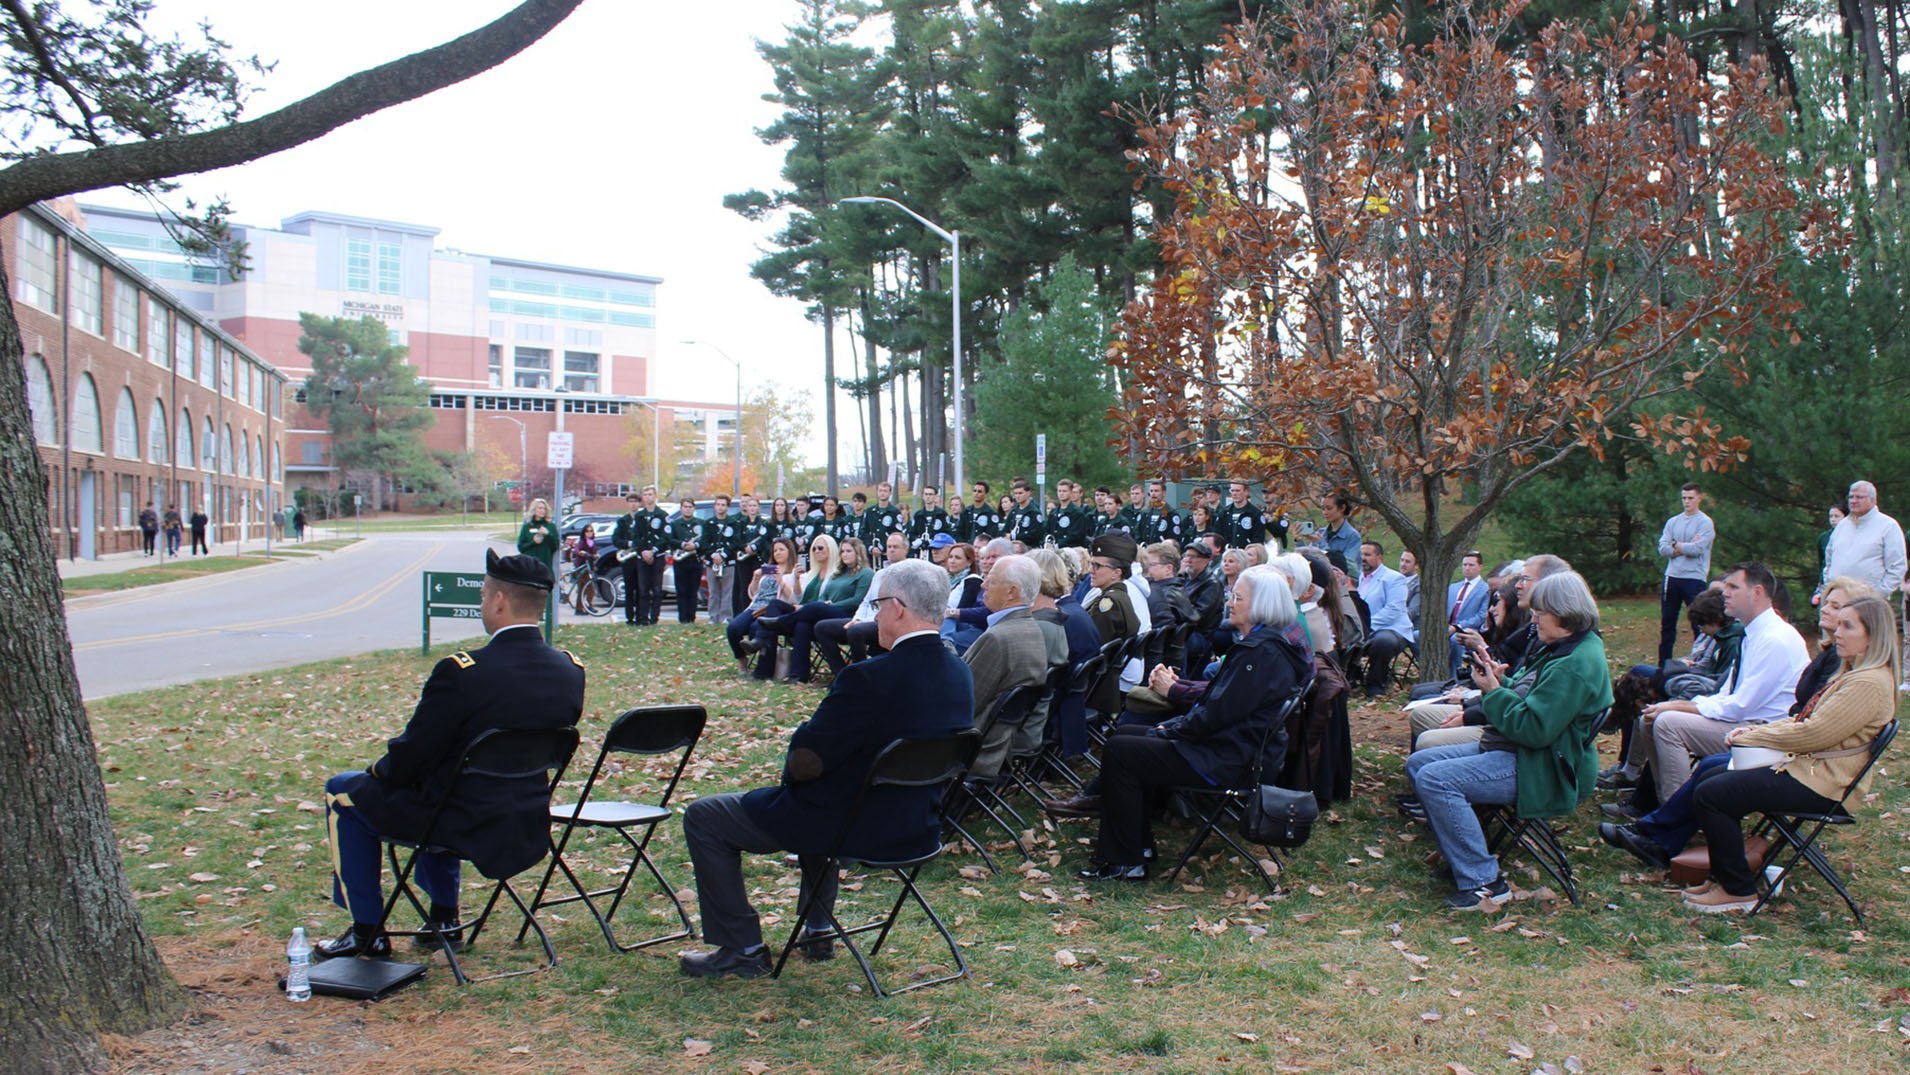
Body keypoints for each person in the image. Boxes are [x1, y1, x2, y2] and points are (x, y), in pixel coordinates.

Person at [676, 559, 974, 978]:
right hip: (917, 823)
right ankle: (816, 929)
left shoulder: (869, 678)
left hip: (854, 824)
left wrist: (802, 735)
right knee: (832, 790)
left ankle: (741, 946)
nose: (874, 612)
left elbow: (805, 762)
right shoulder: (959, 671)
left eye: (878, 603)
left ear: (899, 608)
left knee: (705, 816)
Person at [315, 551, 585, 959]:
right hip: (523, 815)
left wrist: (377, 772)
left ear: (498, 601)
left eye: (483, 597)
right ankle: (443, 917)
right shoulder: (570, 670)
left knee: (343, 791)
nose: (482, 605)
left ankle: (367, 929)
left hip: (456, 819)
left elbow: (409, 758)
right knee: (444, 781)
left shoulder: (463, 672)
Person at [1599, 579, 1875, 871]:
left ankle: (1702, 858)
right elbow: (1799, 717)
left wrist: (1756, 735)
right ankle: (1659, 829)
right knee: (1705, 762)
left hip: (1808, 768)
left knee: (1683, 742)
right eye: (1828, 604)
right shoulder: (1831, 658)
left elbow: (1810, 730)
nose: (1725, 594)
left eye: (1840, 611)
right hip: (1788, 746)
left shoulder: (1850, 673)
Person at [1074, 565, 1312, 881]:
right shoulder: (1265, 647)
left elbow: (1217, 715)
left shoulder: (1260, 654)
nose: (1229, 603)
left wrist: (1171, 729)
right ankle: (1137, 844)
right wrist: (1171, 727)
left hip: (1229, 759)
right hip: (1235, 748)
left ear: (1260, 607)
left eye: (1238, 598)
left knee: (1121, 750)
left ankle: (1125, 860)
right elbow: (1220, 706)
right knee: (1128, 732)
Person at [1680, 594, 1900, 912]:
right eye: (1838, 625)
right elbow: (1807, 723)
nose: (1837, 632)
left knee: (1713, 793)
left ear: (1872, 635)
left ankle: (1738, 890)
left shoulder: (1868, 683)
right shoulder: (1856, 675)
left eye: (1848, 626)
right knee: (1715, 776)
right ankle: (1724, 878)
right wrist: (1757, 734)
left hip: (1824, 785)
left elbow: (1814, 733)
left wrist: (1757, 734)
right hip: (1810, 773)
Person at [1406, 570, 1611, 910]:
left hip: (1545, 767)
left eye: (1540, 612)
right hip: (1527, 752)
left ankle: (1484, 882)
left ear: (1564, 613)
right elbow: (1535, 696)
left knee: (1435, 779)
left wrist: (1492, 693)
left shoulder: (1574, 663)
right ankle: (1464, 856)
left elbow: (1533, 729)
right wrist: (1502, 680)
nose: (1534, 619)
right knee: (1419, 762)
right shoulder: (1564, 647)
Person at [1641, 562, 1809, 806]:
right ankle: (1663, 807)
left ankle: (1674, 815)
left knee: (1668, 723)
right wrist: (1677, 704)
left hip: (1763, 732)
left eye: (1733, 587)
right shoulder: (1754, 634)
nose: (1725, 593)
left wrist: (1676, 707)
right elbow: (1727, 693)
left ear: (1757, 593)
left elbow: (1739, 706)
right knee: (1648, 720)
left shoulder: (1775, 639)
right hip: (1744, 721)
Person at [964, 555, 1064, 777]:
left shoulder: (999, 638)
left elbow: (964, 703)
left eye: (991, 580)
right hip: (1000, 745)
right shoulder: (1031, 627)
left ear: (1012, 592)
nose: (983, 585)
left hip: (977, 749)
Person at [757, 536, 875, 684]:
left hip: (849, 615)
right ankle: (798, 675)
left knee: (815, 607)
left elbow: (858, 600)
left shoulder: (866, 573)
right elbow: (824, 595)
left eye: (849, 551)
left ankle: (781, 622)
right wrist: (824, 604)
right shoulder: (838, 573)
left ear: (858, 553)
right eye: (842, 551)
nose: (844, 554)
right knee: (802, 625)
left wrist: (830, 605)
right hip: (827, 613)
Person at [817, 532, 909, 674]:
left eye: (895, 547)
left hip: (886, 623)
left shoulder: (910, 574)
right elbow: (866, 602)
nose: (891, 550)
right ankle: (842, 674)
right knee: (822, 627)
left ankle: (861, 676)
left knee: (856, 631)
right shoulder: (879, 574)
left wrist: (862, 622)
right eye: (889, 546)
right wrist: (858, 619)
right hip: (863, 621)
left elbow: (895, 607)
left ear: (906, 549)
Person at [1656, 483, 1716, 665]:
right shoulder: (1673, 522)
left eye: (1690, 498)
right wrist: (1682, 546)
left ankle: (1700, 662)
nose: (1687, 502)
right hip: (1672, 577)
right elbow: (1663, 548)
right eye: (1684, 498)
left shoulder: (1705, 522)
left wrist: (1676, 544)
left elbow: (1698, 549)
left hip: (1694, 578)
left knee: (1699, 623)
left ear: (1699, 498)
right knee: (1667, 623)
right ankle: (1663, 664)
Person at [1820, 480, 1905, 599]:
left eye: (1859, 497)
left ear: (1873, 499)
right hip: (1837, 600)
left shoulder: (1888, 526)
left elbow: (1897, 566)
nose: (1853, 501)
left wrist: (1878, 594)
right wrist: (1829, 586)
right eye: (1851, 497)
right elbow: (1828, 560)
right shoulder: (1842, 525)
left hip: (1869, 603)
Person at [728, 537, 801, 672]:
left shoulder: (794, 573)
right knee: (733, 628)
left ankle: (764, 668)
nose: (777, 553)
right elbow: (753, 594)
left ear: (790, 552)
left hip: (774, 610)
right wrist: (756, 578)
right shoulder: (769, 570)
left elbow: (794, 598)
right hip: (756, 606)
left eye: (781, 550)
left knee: (756, 629)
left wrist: (781, 581)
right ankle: (742, 659)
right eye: (775, 550)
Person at [1357, 540, 1416, 698]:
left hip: (1392, 629)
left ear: (1379, 558)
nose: (1363, 558)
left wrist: (1365, 626)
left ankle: (1376, 685)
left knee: (1383, 642)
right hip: (1362, 627)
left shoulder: (1394, 578)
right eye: (1361, 554)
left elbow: (1393, 610)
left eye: (1368, 555)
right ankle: (1350, 678)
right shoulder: (1357, 577)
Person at [612, 487, 670, 626]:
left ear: (655, 496)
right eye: (645, 495)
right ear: (643, 498)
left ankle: (654, 619)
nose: (648, 497)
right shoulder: (639, 516)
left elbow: (665, 536)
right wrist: (643, 551)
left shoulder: (663, 515)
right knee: (643, 589)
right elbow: (636, 536)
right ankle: (642, 619)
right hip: (641, 557)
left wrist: (653, 551)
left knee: (656, 590)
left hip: (658, 556)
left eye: (651, 494)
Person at [1444, 551, 1491, 676]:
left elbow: (1481, 616)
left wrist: (1457, 627)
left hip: (1468, 630)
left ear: (1480, 567)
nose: (1467, 568)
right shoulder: (1453, 588)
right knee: (1416, 636)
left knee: (1455, 640)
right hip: (1446, 627)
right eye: (1464, 565)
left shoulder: (1485, 589)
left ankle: (1454, 676)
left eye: (1471, 565)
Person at [667, 496, 709, 625]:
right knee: (681, 591)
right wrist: (682, 545)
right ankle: (682, 618)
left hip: (695, 561)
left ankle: (691, 618)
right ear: (681, 508)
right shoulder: (674, 524)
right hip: (680, 561)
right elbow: (670, 540)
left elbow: (705, 540)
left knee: (693, 591)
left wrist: (695, 546)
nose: (687, 509)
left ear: (694, 508)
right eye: (685, 507)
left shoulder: (701, 523)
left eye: (690, 507)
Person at [705, 495, 740, 624]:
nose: (720, 507)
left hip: (728, 562)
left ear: (727, 507)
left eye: (723, 505)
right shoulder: (708, 523)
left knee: (727, 592)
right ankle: (713, 617)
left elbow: (735, 542)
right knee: (713, 591)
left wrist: (723, 555)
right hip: (712, 562)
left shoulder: (733, 523)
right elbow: (704, 542)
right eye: (718, 504)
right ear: (714, 506)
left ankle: (726, 617)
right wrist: (713, 555)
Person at [1313, 493, 1360, 567]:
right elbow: (1307, 559)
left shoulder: (1353, 536)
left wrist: (1321, 544)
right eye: (1323, 509)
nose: (1325, 512)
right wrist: (1299, 540)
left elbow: (1346, 565)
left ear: (1342, 508)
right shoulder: (1320, 533)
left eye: (1329, 508)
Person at [516, 498, 558, 574]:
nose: (542, 510)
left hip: (544, 567)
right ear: (534, 509)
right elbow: (521, 547)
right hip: (529, 567)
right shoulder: (527, 526)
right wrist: (533, 542)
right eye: (540, 508)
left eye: (544, 508)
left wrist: (548, 534)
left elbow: (555, 546)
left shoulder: (551, 526)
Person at [908, 485, 950, 553]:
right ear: (923, 496)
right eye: (926, 494)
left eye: (930, 494)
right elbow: (912, 533)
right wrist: (919, 540)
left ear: (935, 496)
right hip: (921, 551)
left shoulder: (942, 514)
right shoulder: (918, 515)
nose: (928, 496)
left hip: (937, 550)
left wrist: (933, 541)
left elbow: (947, 533)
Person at [1007, 478, 1046, 547]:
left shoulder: (1033, 512)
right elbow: (1005, 529)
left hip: (1028, 548)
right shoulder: (1014, 511)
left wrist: (1014, 536)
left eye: (1020, 493)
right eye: (1015, 493)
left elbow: (1036, 534)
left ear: (1028, 493)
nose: (1017, 496)